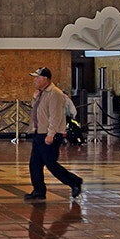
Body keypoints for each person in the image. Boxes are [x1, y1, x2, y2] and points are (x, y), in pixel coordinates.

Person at [24, 67, 83, 201]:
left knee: (51, 163)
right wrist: (35, 99)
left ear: (44, 79)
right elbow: (38, 112)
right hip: (39, 132)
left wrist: (50, 134)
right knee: (35, 164)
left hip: (49, 134)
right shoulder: (42, 93)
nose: (34, 80)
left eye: (37, 77)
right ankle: (38, 191)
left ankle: (74, 181)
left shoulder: (55, 94)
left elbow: (55, 116)